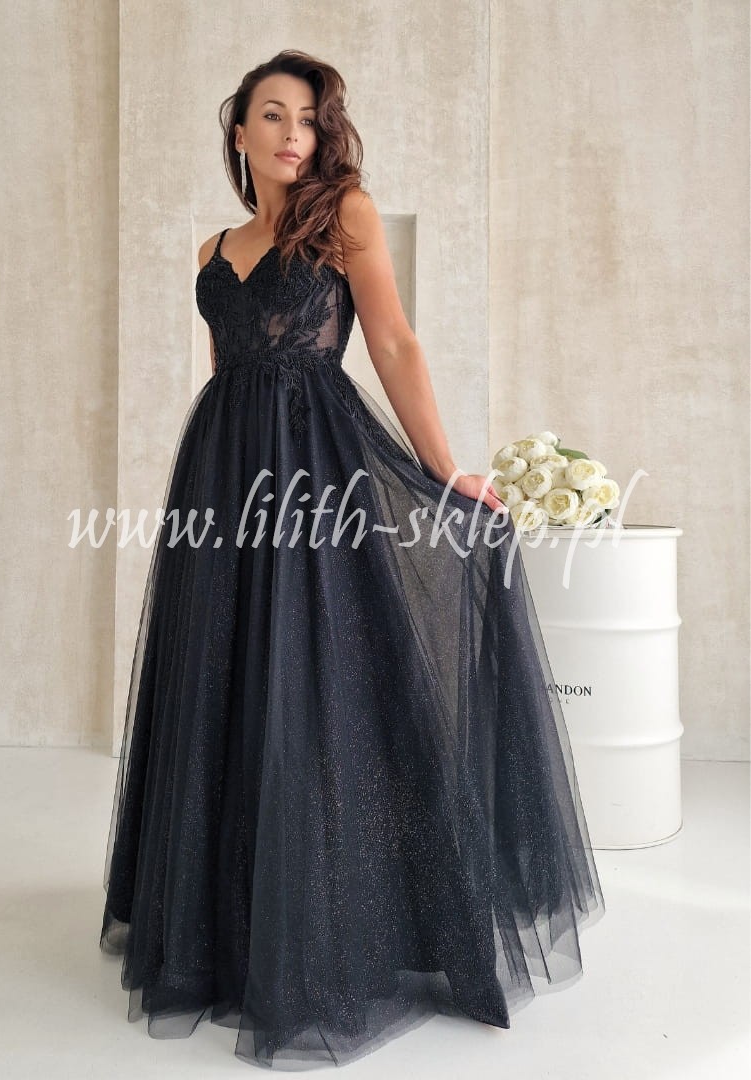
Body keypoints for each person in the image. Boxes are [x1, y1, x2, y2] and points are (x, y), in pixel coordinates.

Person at [99, 48, 605, 1071]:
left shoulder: (346, 218)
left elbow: (396, 344)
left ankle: (356, 916)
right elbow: (228, 370)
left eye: (309, 119)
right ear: (239, 131)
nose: (294, 134)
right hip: (223, 475)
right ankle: (225, 928)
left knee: (324, 680)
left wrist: (446, 469)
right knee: (227, 677)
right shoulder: (213, 248)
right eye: (273, 115)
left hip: (318, 470)